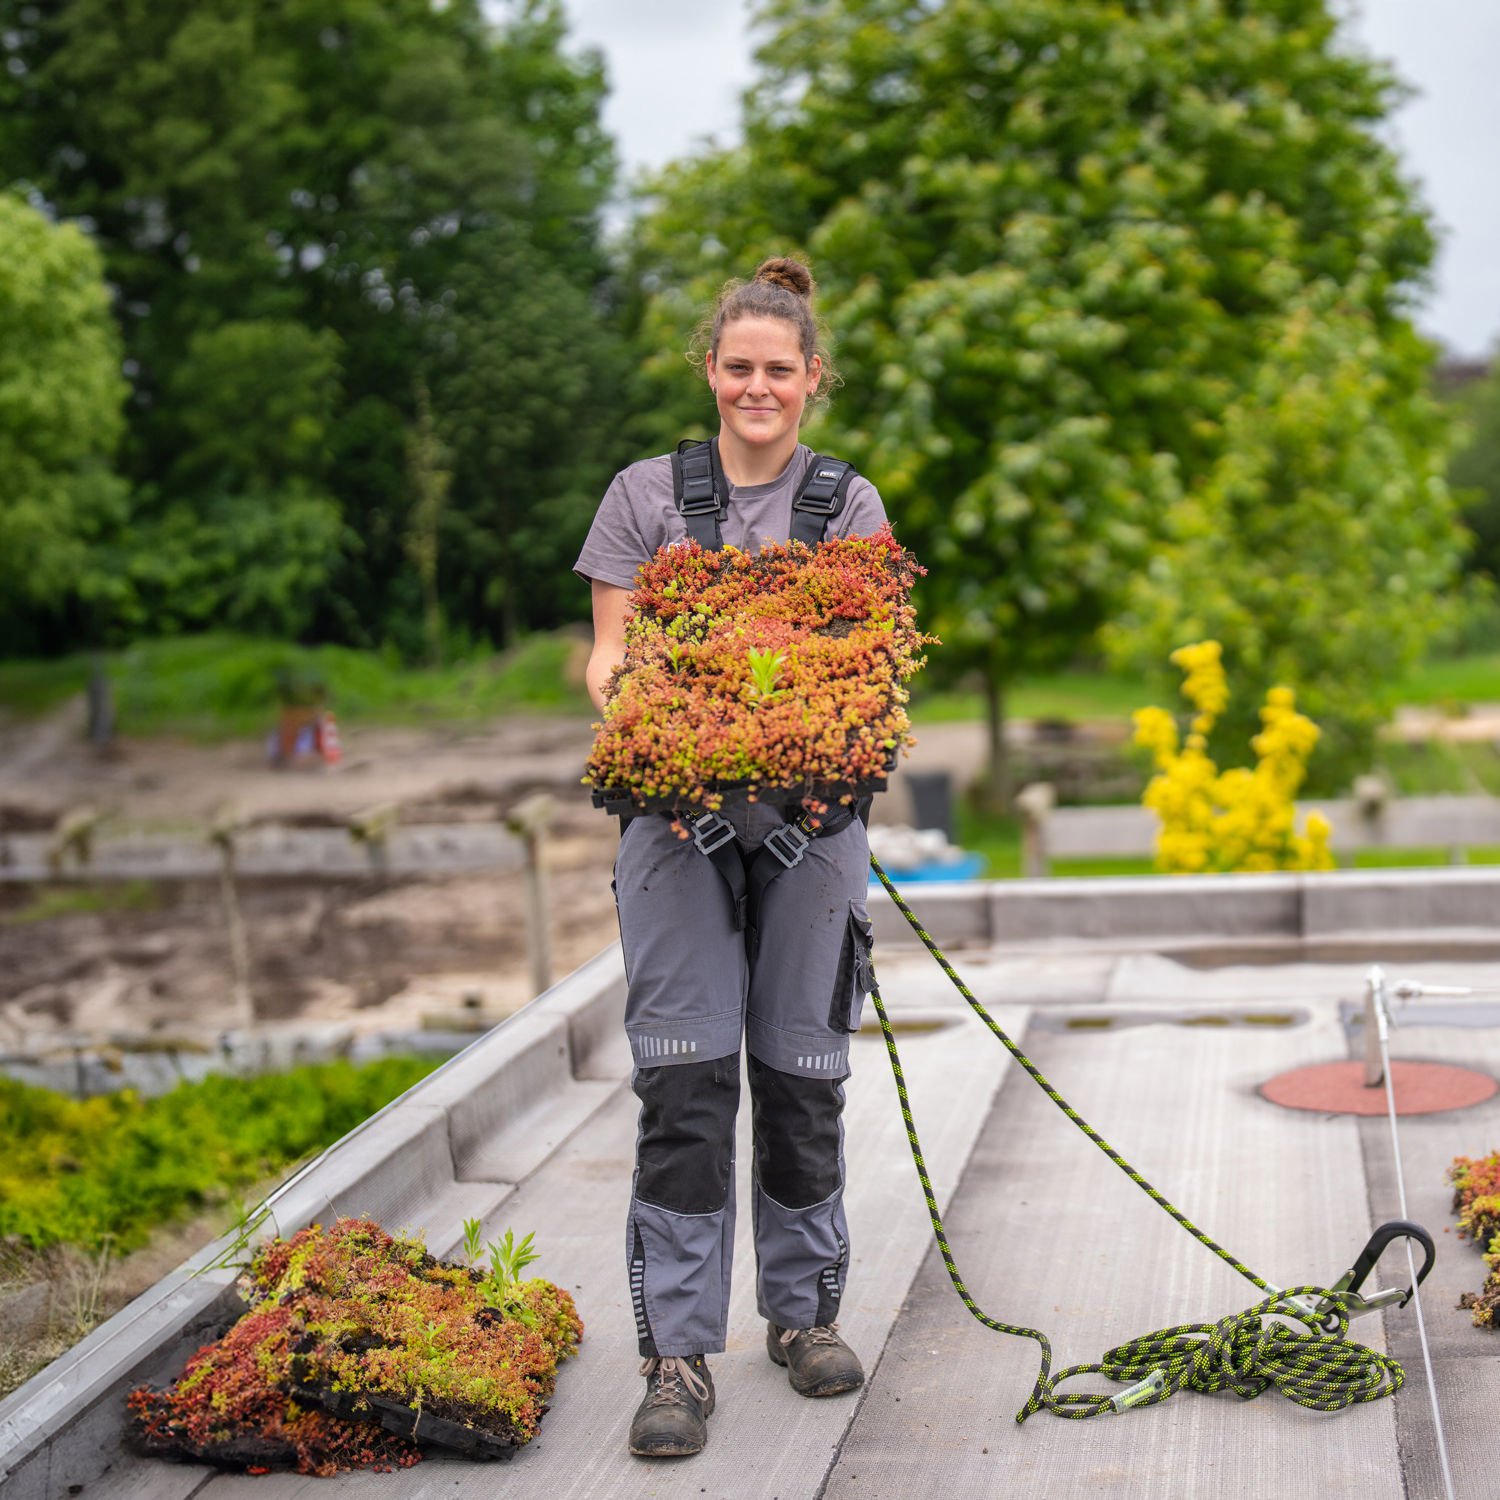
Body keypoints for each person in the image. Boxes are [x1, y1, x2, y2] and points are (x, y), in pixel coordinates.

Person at [574, 257, 888, 1459]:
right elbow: (608, 657)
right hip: (672, 826)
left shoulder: (848, 506)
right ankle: (677, 1356)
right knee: (686, 1085)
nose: (759, 387)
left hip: (813, 827)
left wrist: (805, 766)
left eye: (780, 370)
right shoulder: (644, 498)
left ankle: (803, 1318)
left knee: (803, 1079)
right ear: (709, 371)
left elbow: (870, 672)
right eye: (738, 367)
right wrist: (661, 726)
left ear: (813, 377)